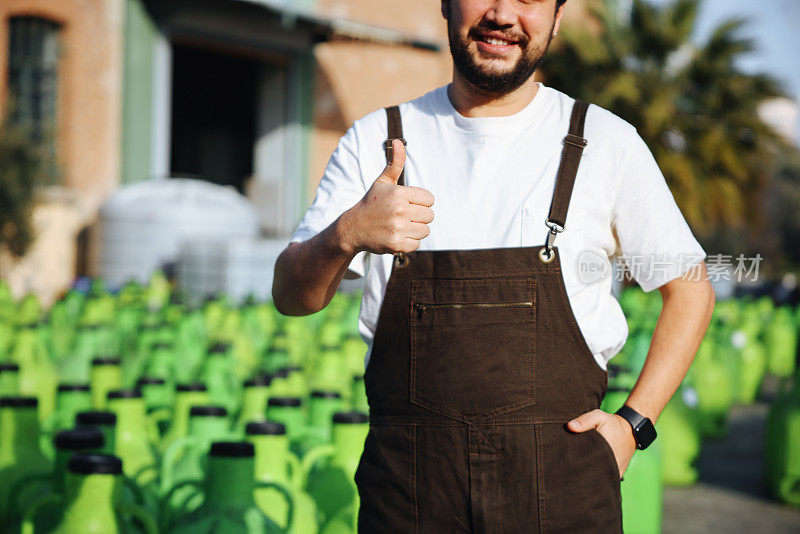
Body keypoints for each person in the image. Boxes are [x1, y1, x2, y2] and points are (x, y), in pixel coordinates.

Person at [273, 0, 716, 531]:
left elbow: (690, 287)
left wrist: (633, 424)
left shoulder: (605, 143)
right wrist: (346, 234)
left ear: (557, 15)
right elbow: (291, 296)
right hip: (410, 499)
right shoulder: (376, 140)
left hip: (563, 496)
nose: (503, 14)